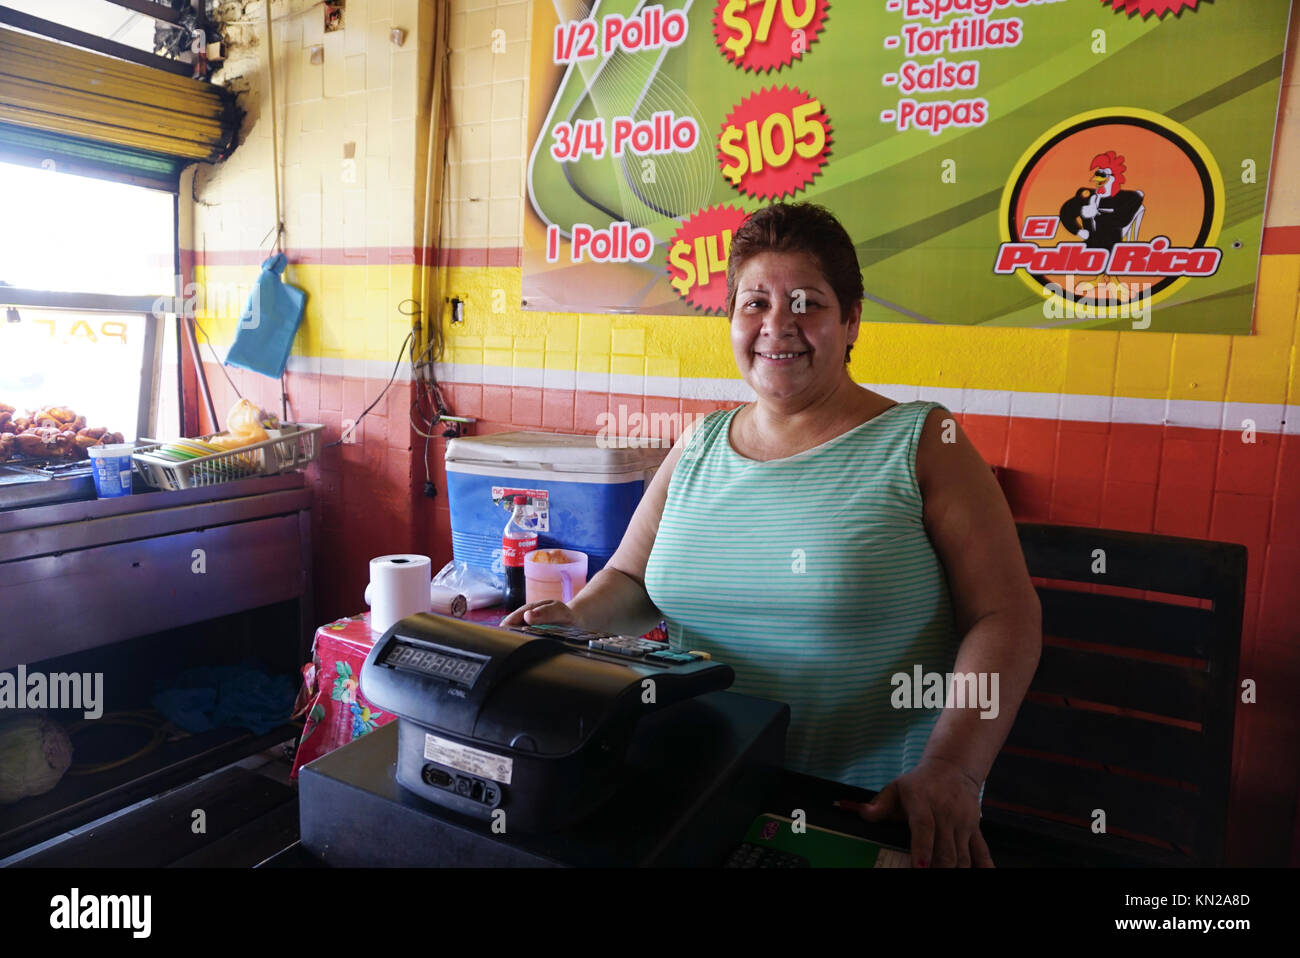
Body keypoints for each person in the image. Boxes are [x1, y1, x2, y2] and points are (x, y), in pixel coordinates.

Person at [503, 203, 1041, 867]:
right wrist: (571, 621)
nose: (776, 326)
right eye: (754, 302)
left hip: (863, 817)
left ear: (851, 320)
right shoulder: (698, 446)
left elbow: (1005, 614)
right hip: (696, 793)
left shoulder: (923, 441)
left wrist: (956, 770)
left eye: (807, 303)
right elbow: (634, 579)